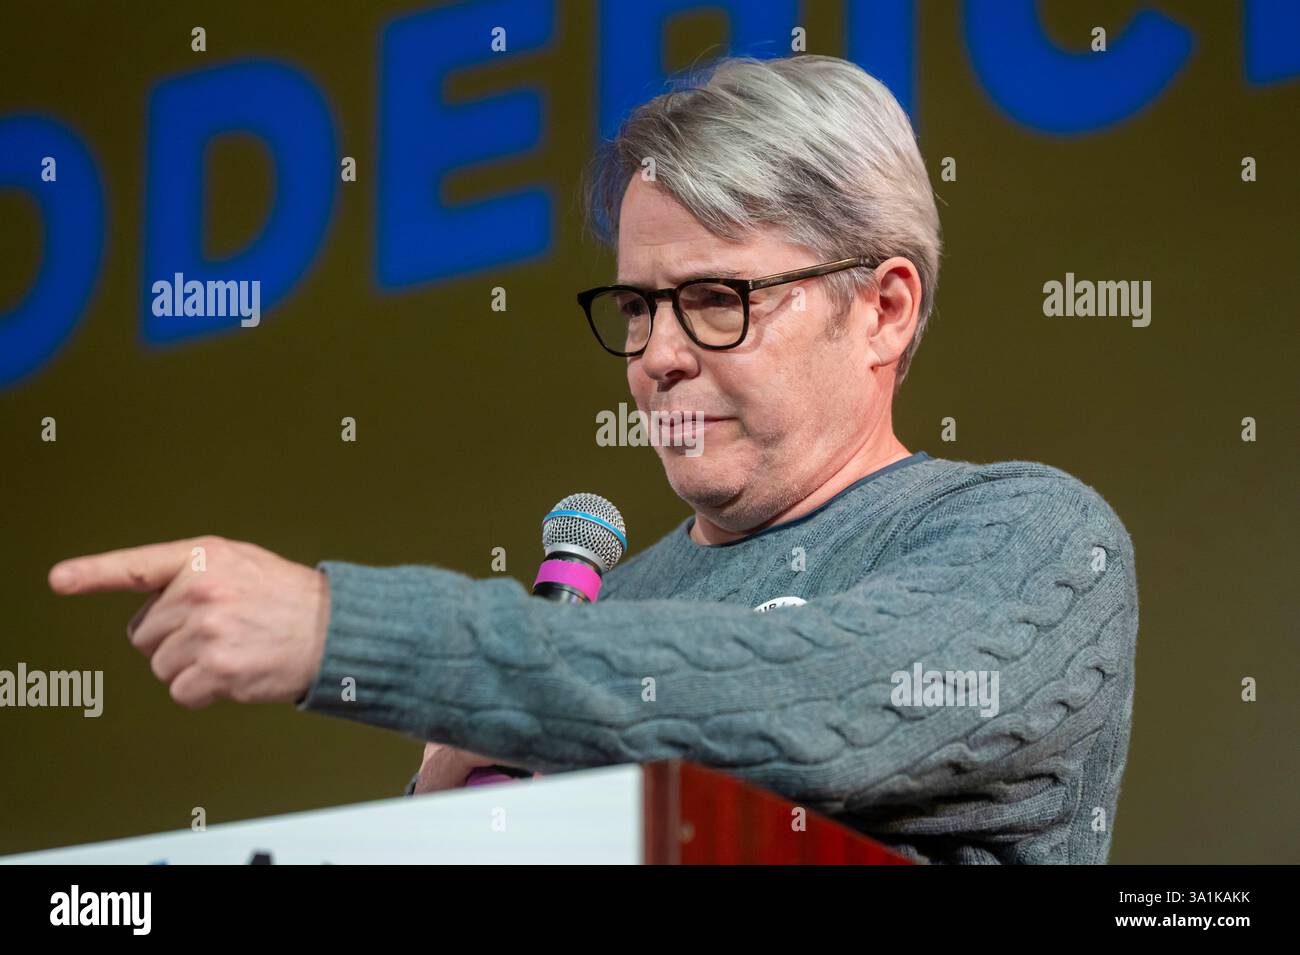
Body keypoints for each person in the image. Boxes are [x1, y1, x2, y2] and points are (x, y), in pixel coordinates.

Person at [48, 55, 1138, 864]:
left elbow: (820, 706)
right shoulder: (598, 611)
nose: (656, 356)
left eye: (717, 299)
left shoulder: (1035, 540)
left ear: (883, 310)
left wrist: (346, 632)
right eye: (637, 306)